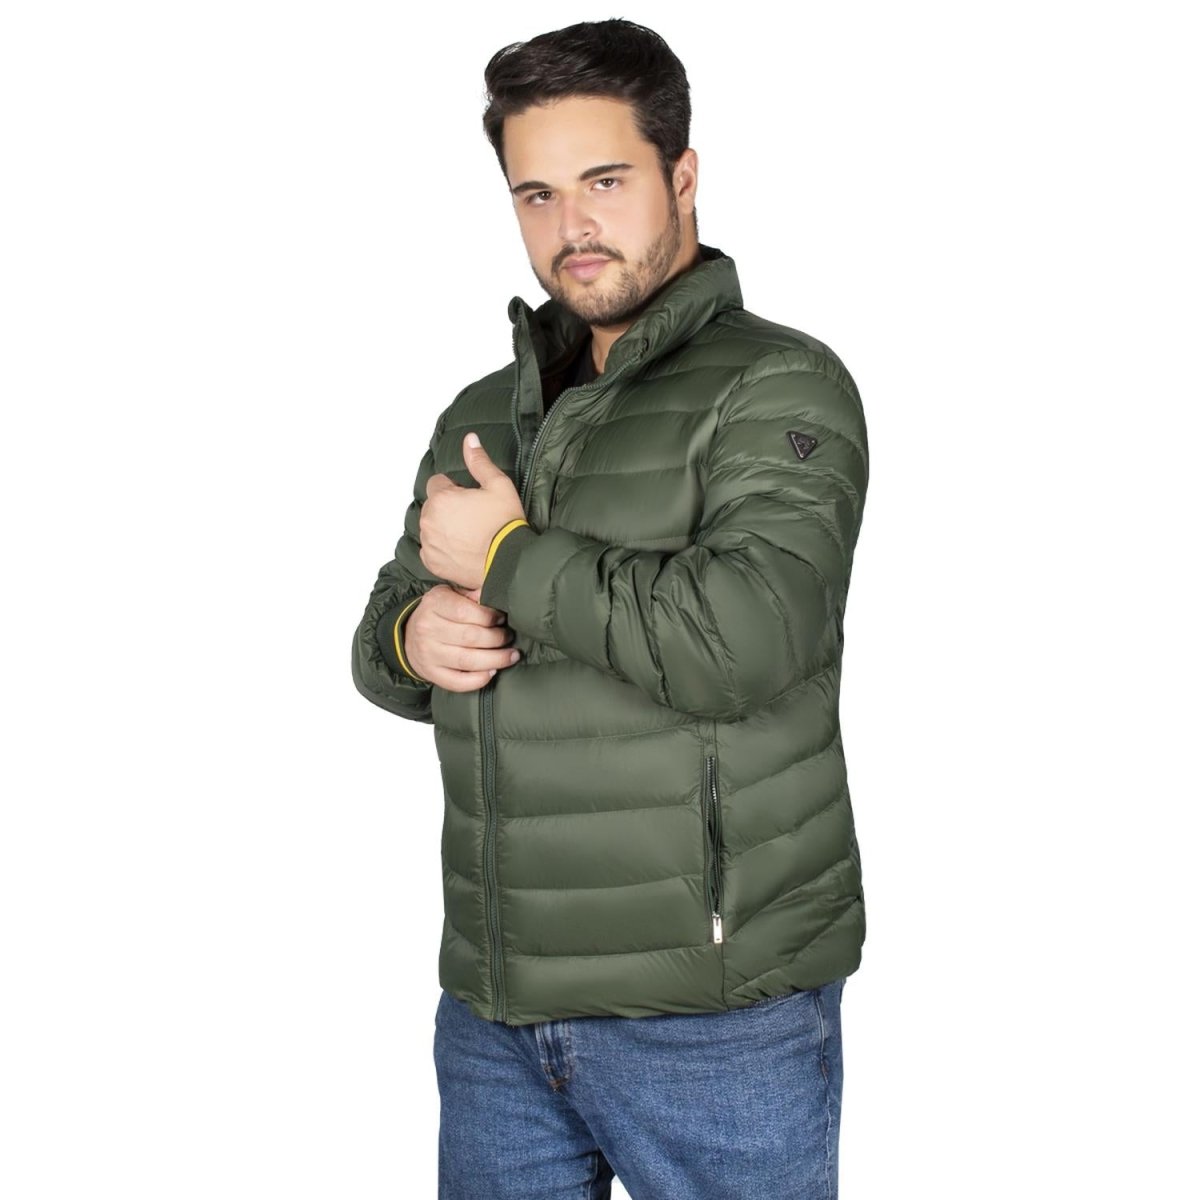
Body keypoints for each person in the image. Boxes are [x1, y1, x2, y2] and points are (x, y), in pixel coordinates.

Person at [351, 18, 869, 1199]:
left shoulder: (780, 384)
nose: (570, 226)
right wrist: (413, 640)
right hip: (496, 1013)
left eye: (604, 181)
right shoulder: (486, 409)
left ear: (681, 176)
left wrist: (510, 558)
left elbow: (743, 644)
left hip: (714, 1016)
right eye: (535, 194)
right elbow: (380, 637)